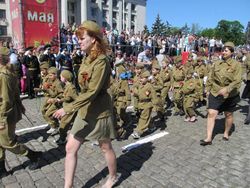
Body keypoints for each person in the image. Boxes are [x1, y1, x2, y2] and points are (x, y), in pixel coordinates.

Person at [53, 20, 118, 188]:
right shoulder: (87, 58)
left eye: (82, 38)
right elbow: (83, 86)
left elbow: (92, 92)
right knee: (70, 148)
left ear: (94, 39)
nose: (79, 41)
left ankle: (112, 177)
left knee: (105, 147)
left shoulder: (101, 61)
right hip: (84, 110)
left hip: (99, 112)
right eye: (78, 38)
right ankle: (68, 186)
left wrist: (67, 108)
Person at [0, 47, 42, 178]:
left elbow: (6, 100)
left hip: (5, 115)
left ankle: (33, 156)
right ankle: (1, 170)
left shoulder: (4, 75)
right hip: (5, 112)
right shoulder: (7, 73)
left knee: (8, 143)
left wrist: (1, 120)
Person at [200, 42, 242, 146]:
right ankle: (208, 138)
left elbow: (238, 81)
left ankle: (226, 132)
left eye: (226, 50)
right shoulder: (217, 63)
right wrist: (207, 88)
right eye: (223, 50)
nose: (223, 52)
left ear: (231, 52)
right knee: (211, 113)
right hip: (216, 92)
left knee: (228, 114)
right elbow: (211, 76)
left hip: (230, 94)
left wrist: (227, 89)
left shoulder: (236, 65)